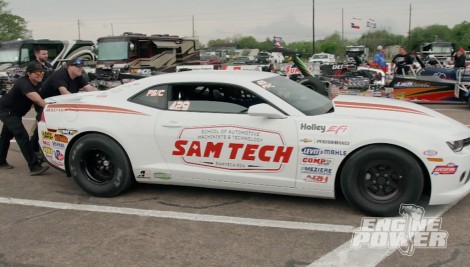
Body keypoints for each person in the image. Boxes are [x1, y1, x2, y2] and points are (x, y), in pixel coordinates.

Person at [32, 58, 97, 158]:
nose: (80, 68)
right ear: (69, 67)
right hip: (44, 104)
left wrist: (103, 96)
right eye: (77, 66)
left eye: (81, 66)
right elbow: (64, 92)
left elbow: (90, 89)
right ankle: (35, 149)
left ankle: (39, 147)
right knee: (47, 126)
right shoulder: (60, 75)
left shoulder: (78, 76)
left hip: (59, 104)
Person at [0, 62, 50, 175]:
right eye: (37, 72)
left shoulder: (37, 83)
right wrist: (51, 108)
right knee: (21, 135)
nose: (40, 74)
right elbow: (37, 100)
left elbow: (37, 102)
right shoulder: (24, 83)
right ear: (29, 73)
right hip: (7, 111)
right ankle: (34, 166)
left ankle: (1, 161)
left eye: (42, 72)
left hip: (15, 113)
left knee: (5, 137)